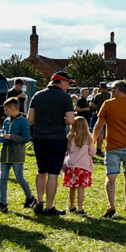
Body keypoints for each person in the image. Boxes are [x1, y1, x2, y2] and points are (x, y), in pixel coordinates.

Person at [93, 80, 126, 218]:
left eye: (112, 89)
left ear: (117, 89)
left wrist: (92, 141)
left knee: (111, 177)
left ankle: (111, 204)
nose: (111, 91)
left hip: (112, 146)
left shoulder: (108, 104)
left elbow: (99, 125)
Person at [29, 71, 77, 216]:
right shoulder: (65, 97)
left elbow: (30, 119)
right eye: (68, 83)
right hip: (57, 138)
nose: (68, 86)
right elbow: (70, 120)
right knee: (53, 173)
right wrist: (58, 120)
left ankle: (39, 202)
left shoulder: (37, 95)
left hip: (39, 137)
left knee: (41, 170)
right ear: (61, 82)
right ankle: (49, 207)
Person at [0, 97, 36, 213]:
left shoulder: (23, 121)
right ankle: (3, 203)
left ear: (12, 108)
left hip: (17, 154)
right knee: (3, 178)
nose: (5, 112)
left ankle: (30, 197)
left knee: (19, 177)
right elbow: (5, 133)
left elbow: (26, 138)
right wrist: (2, 137)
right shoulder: (6, 121)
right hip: (5, 153)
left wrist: (11, 137)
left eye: (6, 110)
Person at [64, 117, 96, 217]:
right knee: (81, 188)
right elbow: (92, 152)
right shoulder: (88, 138)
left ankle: (72, 206)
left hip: (71, 166)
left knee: (72, 187)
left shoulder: (69, 137)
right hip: (83, 166)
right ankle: (80, 209)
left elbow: (67, 150)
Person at [90, 82, 111, 154]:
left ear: (100, 88)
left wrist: (99, 107)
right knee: (108, 132)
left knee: (100, 132)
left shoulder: (97, 96)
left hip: (99, 115)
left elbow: (92, 104)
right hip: (108, 115)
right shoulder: (110, 95)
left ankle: (98, 148)